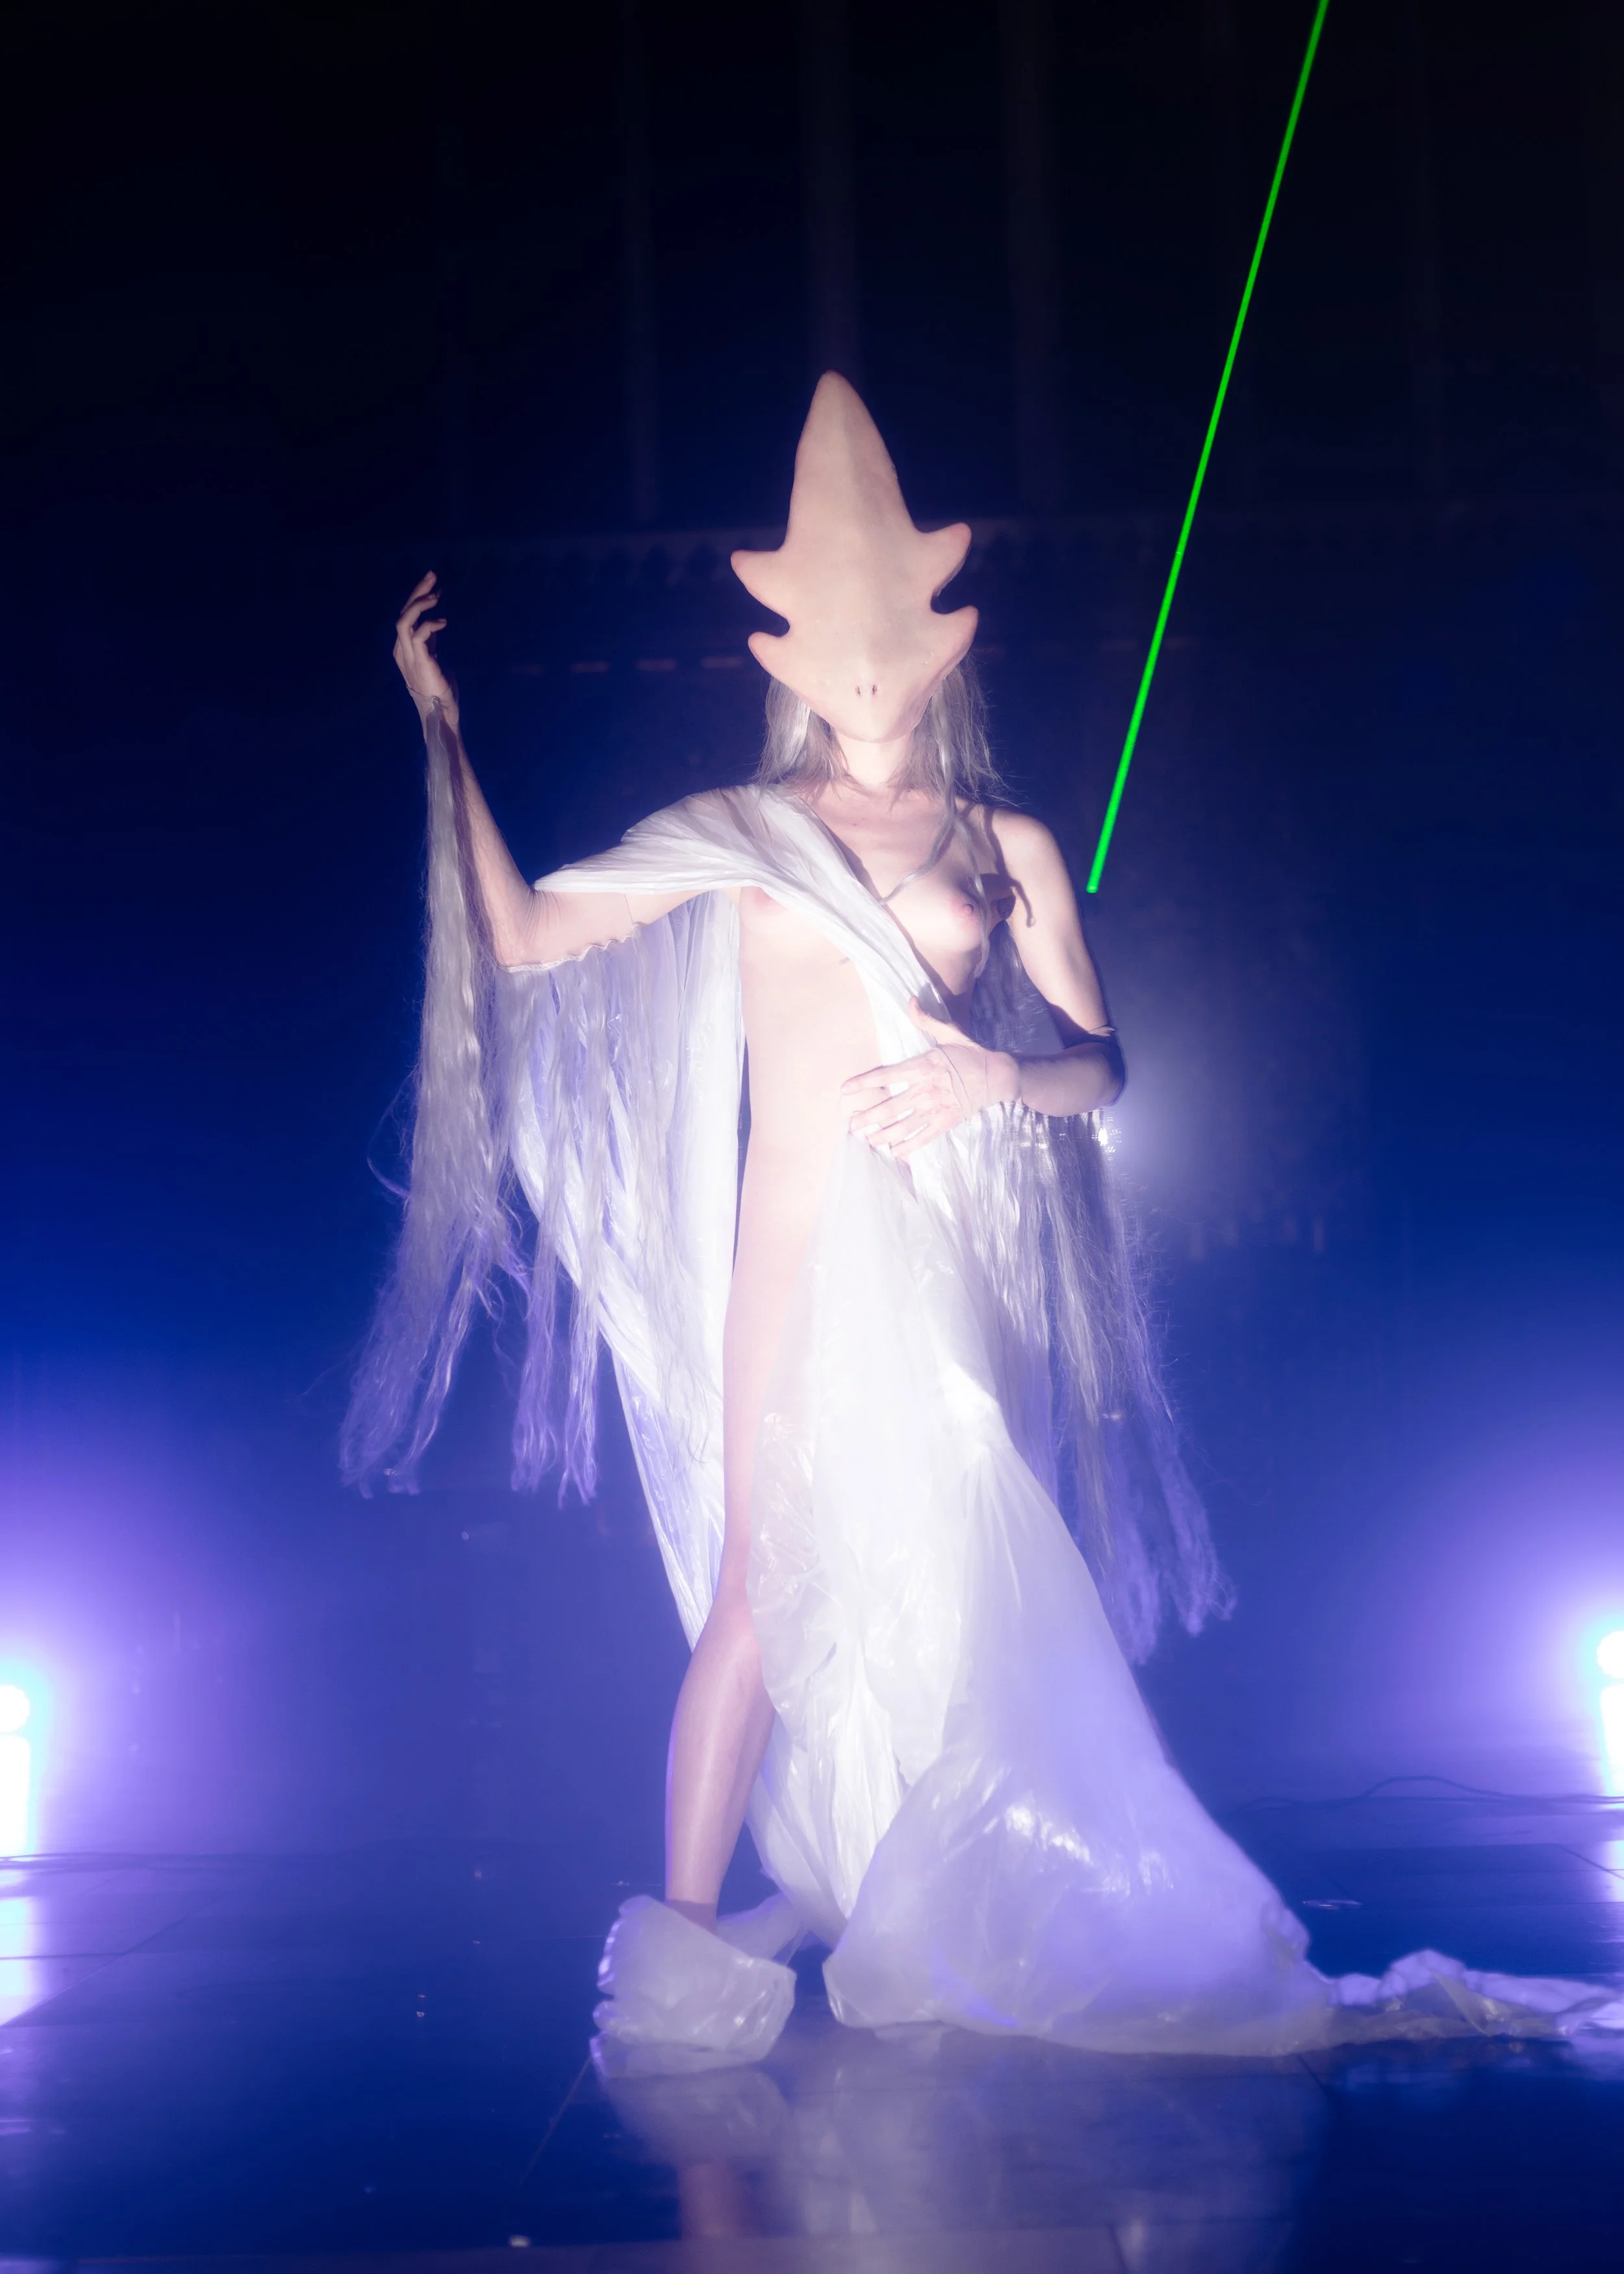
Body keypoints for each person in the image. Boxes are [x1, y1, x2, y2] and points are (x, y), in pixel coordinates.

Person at [346, 377, 1620, 2064]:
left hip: (939, 1250)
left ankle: (957, 1889)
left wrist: (986, 1077)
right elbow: (516, 939)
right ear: (782, 653)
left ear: (942, 642)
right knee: (754, 1588)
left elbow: (1099, 1063)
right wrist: (439, 728)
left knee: (957, 1567)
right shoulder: (739, 837)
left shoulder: (1002, 839)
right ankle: (689, 1942)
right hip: (787, 1248)